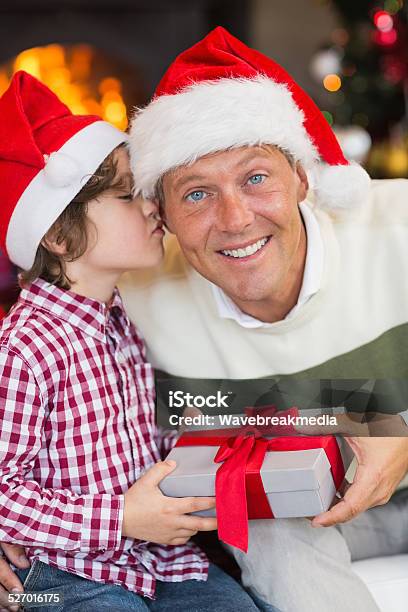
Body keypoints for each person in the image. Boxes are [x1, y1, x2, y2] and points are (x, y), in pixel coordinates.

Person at [122, 27, 408, 612]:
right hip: (311, 512)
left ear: (302, 179)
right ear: (164, 216)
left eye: (256, 178)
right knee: (258, 517)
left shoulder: (397, 228)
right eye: (196, 195)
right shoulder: (133, 294)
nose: (234, 219)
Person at [0, 71, 259, 612]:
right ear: (56, 231)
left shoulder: (123, 324)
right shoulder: (25, 347)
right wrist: (121, 518)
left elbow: (149, 441)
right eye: (126, 196)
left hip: (159, 558)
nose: (152, 208)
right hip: (63, 571)